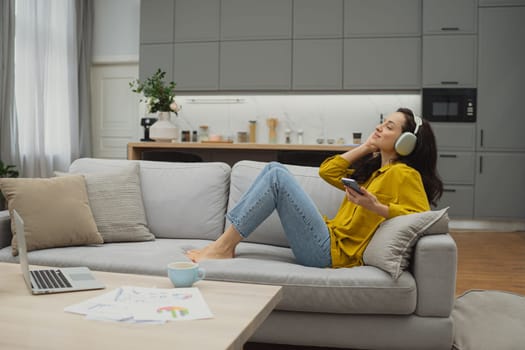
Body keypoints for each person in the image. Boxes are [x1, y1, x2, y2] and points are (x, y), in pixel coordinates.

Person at [186, 108, 443, 268]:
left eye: (389, 126)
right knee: (274, 170)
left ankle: (223, 247)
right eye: (382, 122)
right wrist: (366, 147)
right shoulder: (374, 171)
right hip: (325, 240)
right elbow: (328, 171)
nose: (379, 127)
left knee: (277, 176)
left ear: (407, 142)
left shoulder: (403, 173)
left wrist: (377, 207)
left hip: (330, 253)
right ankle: (224, 244)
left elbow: (422, 219)